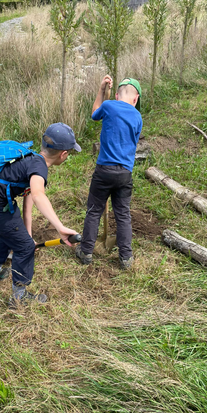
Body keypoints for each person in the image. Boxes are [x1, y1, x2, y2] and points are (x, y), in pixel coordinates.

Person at [0, 122, 81, 308]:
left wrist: (28, 234)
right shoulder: (39, 167)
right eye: (69, 153)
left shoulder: (31, 157)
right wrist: (60, 227)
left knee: (12, 234)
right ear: (63, 154)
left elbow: (29, 199)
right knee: (24, 248)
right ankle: (19, 298)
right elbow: (38, 194)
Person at [75, 75, 143, 269]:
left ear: (116, 95)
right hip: (124, 173)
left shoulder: (109, 106)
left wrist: (100, 89)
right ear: (135, 99)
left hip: (104, 170)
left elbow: (95, 112)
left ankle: (86, 251)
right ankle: (126, 257)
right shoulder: (137, 117)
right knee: (122, 213)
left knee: (94, 210)